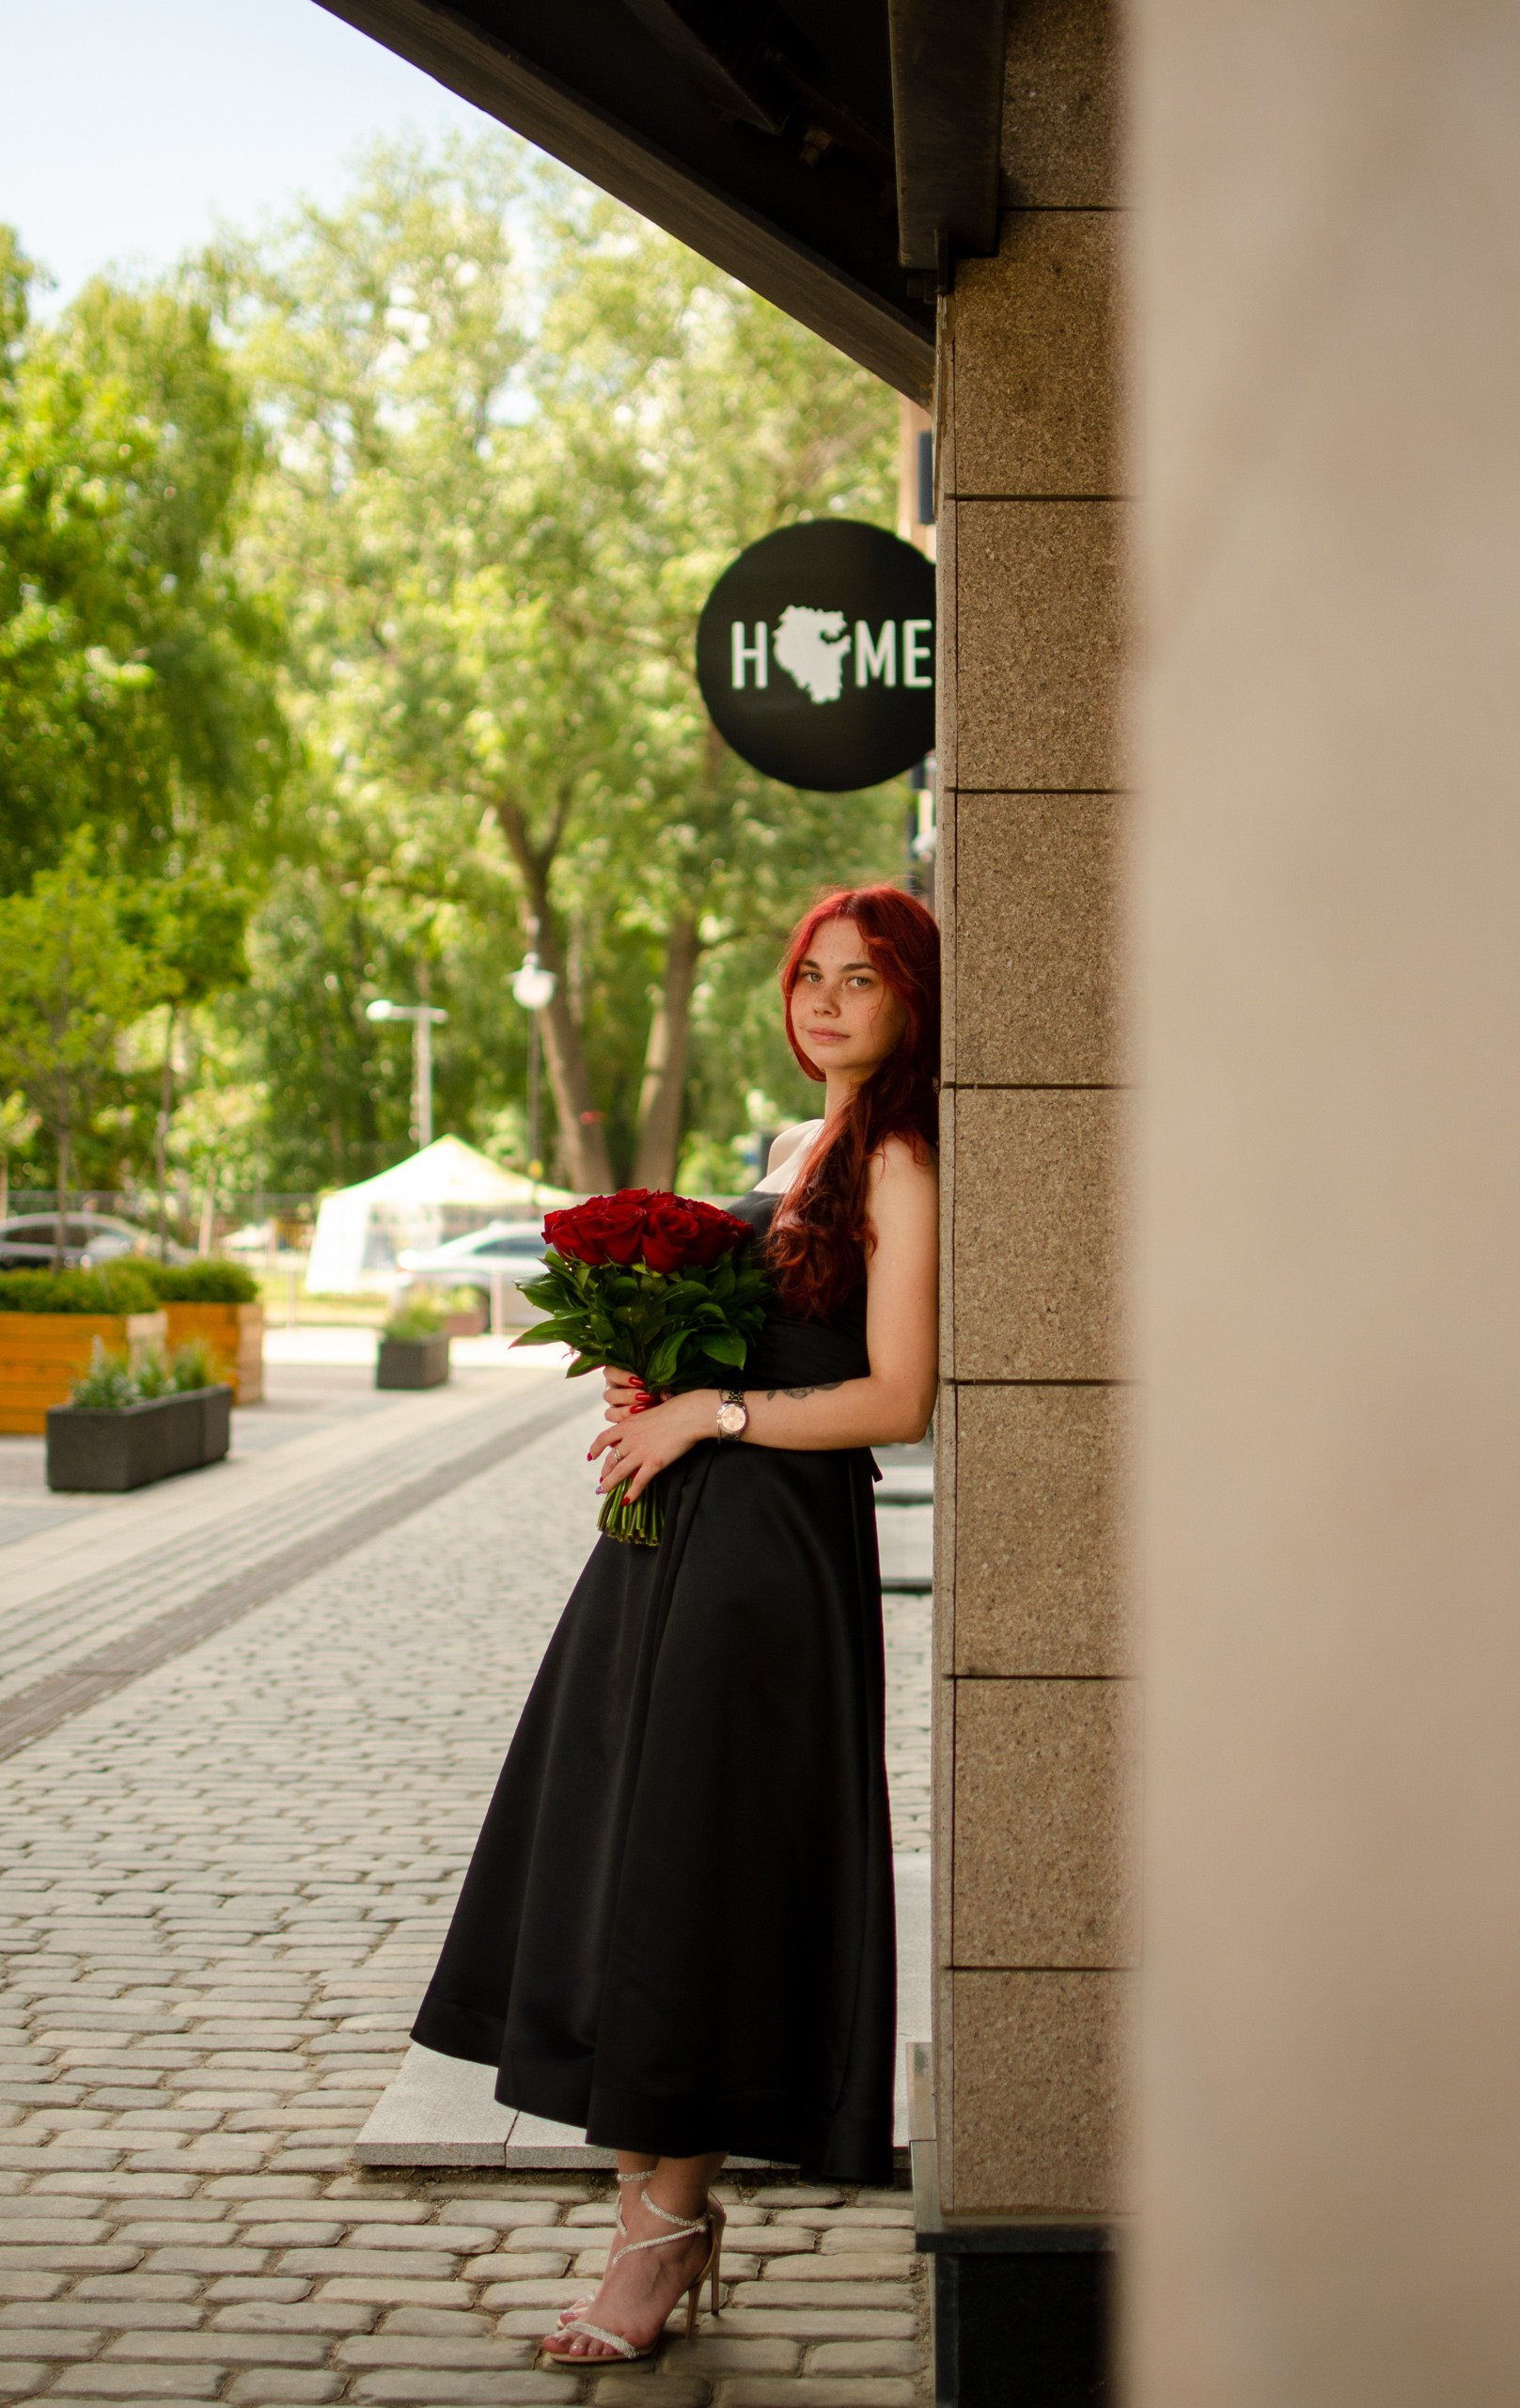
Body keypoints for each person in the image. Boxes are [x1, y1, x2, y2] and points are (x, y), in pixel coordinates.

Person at [412, 884, 940, 2367]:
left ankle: (662, 2225)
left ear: (913, 1000)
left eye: (862, 978)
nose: (825, 1000)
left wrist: (713, 1411)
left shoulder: (900, 1158)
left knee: (704, 1864)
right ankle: (651, 2209)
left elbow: (899, 1394)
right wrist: (645, 1378)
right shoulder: (796, 1150)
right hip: (678, 1543)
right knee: (636, 1857)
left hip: (770, 1563)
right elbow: (758, 1343)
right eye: (810, 974)